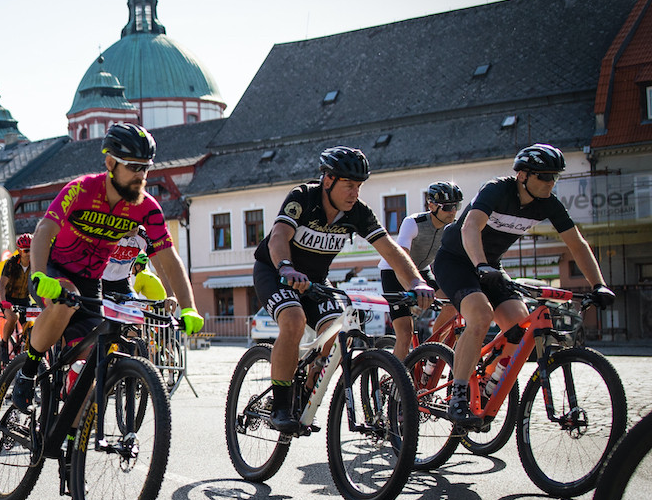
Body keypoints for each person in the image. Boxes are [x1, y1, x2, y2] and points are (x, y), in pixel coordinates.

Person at [14, 123, 205, 412]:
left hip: (91, 281)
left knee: (91, 364)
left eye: (145, 168)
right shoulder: (81, 190)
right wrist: (39, 273)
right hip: (54, 269)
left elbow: (168, 257)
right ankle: (28, 371)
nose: (141, 176)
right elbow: (44, 230)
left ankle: (71, 436)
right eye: (133, 167)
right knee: (65, 302)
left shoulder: (147, 207)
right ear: (110, 163)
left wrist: (189, 307)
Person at [432, 143, 615, 430]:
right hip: (456, 260)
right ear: (523, 176)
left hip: (490, 265)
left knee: (520, 325)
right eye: (544, 176)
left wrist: (599, 285)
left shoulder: (548, 203)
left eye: (555, 177)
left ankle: (489, 382)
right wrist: (481, 265)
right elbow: (470, 227)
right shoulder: (496, 190)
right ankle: (458, 394)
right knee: (480, 316)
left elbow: (577, 244)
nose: (551, 183)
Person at [253, 146, 434, 434]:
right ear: (328, 180)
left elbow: (391, 250)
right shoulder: (303, 197)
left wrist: (417, 282)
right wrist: (286, 268)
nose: (354, 193)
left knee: (339, 333)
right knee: (294, 320)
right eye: (349, 185)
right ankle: (281, 406)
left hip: (315, 281)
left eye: (359, 186)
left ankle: (307, 390)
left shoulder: (358, 212)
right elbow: (278, 237)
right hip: (276, 272)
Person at [381, 181, 463, 361]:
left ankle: (431, 351)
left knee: (452, 304)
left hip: (422, 270)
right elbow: (402, 258)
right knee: (405, 334)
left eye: (456, 206)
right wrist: (413, 288)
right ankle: (396, 376)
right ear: (431, 206)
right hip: (394, 270)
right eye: (447, 207)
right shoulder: (413, 222)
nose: (452, 212)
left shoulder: (453, 228)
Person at [0, 234, 32, 350]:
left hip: (24, 299)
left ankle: (26, 351)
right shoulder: (11, 263)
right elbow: (2, 285)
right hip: (8, 298)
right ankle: (4, 343)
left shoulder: (35, 263)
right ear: (19, 251)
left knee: (31, 326)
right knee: (13, 317)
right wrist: (3, 301)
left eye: (32, 250)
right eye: (26, 250)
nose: (29, 253)